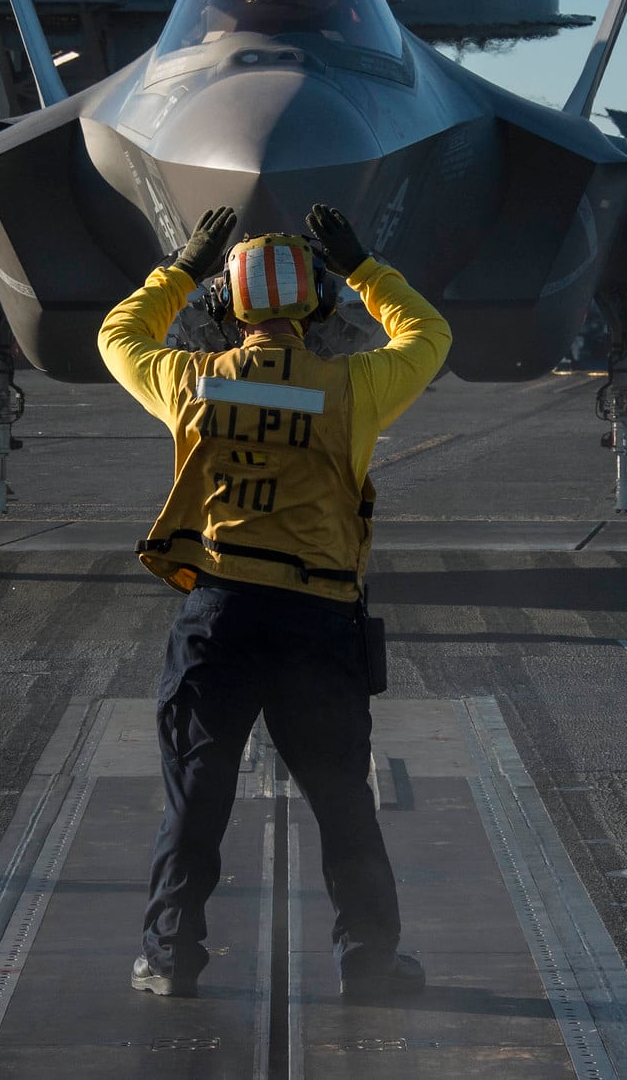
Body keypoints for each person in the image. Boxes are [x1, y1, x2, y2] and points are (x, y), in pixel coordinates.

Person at [98, 202, 450, 1004]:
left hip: (218, 618)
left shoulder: (191, 380)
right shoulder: (353, 388)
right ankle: (367, 962)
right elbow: (430, 334)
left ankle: (169, 956)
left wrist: (184, 265)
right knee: (341, 802)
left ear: (227, 308)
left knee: (196, 794)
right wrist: (363, 265)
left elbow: (118, 332)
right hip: (318, 622)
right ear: (318, 306)